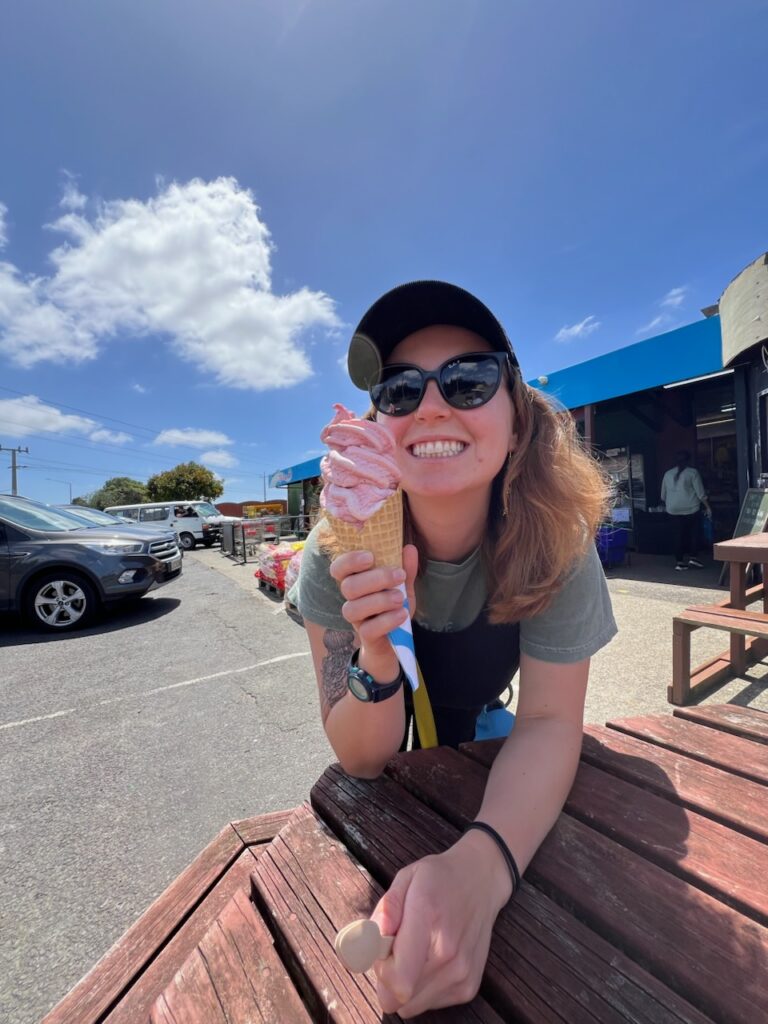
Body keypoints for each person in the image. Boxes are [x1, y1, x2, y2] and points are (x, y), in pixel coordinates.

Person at [289, 280, 617, 1017]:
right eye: (400, 391)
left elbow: (549, 724)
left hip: (489, 733)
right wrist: (375, 652)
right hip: (392, 756)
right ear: (378, 427)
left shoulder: (556, 538)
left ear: (518, 419)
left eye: (468, 380)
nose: (432, 405)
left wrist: (482, 867)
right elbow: (363, 757)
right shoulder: (333, 551)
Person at [660, 450, 712, 571]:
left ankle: (679, 562)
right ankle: (693, 558)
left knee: (677, 535)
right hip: (691, 509)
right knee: (694, 534)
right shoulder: (693, 473)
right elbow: (700, 494)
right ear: (689, 460)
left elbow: (663, 496)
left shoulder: (667, 474)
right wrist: (708, 507)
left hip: (672, 510)